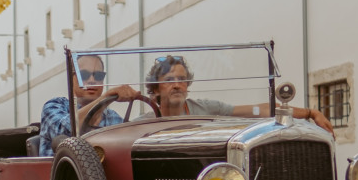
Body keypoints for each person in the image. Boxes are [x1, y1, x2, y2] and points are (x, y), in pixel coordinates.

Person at [142, 55, 335, 134]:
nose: (176, 85)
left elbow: (263, 109)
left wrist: (311, 113)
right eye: (169, 80)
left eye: (181, 80)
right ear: (156, 89)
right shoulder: (144, 123)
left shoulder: (206, 108)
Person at [36, 53, 147, 156]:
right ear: (71, 79)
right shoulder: (54, 106)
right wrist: (106, 97)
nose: (92, 80)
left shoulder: (112, 117)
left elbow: (129, 143)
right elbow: (67, 131)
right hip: (60, 175)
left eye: (98, 76)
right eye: (83, 75)